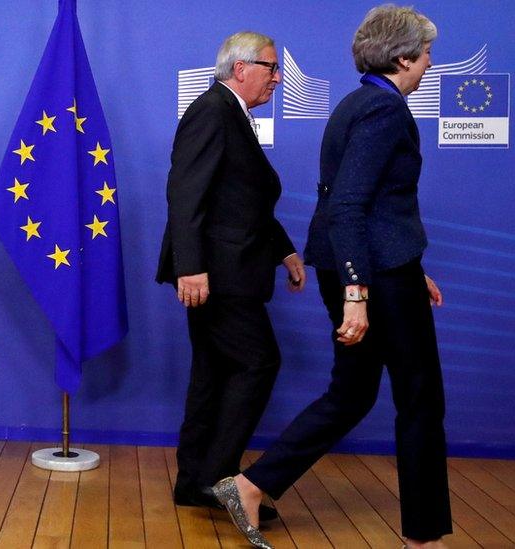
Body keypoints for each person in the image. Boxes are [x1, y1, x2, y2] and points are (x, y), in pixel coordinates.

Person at [212, 5, 453, 549]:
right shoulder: (383, 111)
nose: (430, 65)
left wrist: (411, 269)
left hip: (379, 269)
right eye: (427, 54)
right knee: (420, 399)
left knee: (352, 394)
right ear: (404, 57)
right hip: (370, 276)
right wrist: (358, 294)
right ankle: (425, 537)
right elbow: (347, 206)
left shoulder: (357, 103)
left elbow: (377, 209)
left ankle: (251, 485)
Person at [156, 31, 306, 522]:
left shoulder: (231, 113)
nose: (278, 77)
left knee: (213, 374)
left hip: (227, 270)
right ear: (241, 68)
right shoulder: (213, 110)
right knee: (257, 363)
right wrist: (191, 266)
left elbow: (242, 199)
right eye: (271, 66)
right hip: (217, 275)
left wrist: (284, 251)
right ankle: (222, 481)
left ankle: (195, 482)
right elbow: (185, 192)